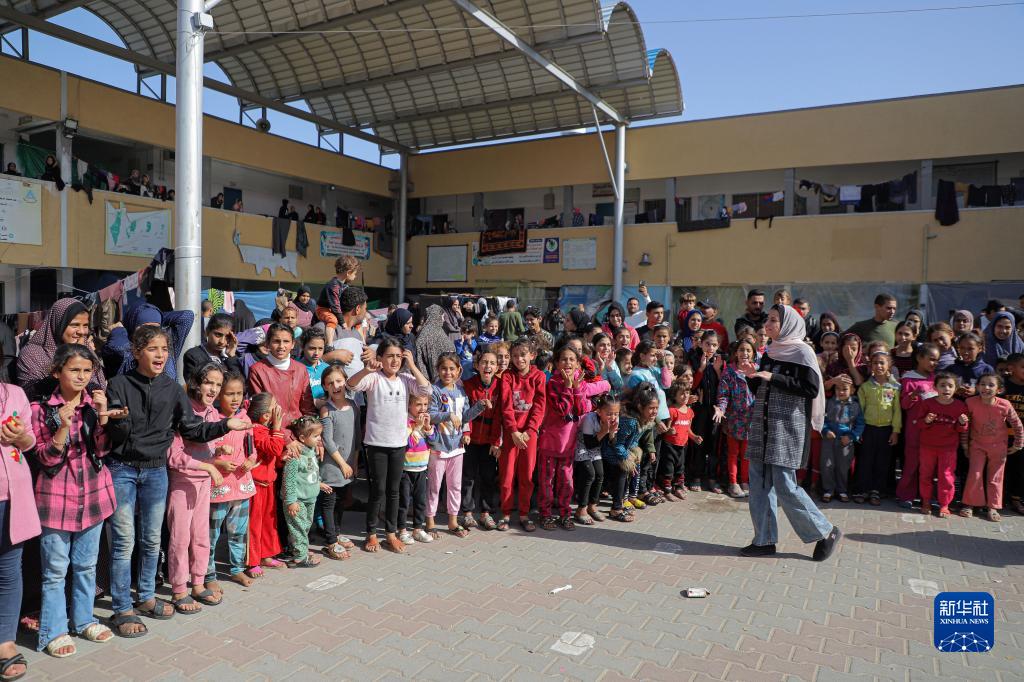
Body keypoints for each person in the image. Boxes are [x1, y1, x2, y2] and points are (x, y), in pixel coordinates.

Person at [104, 327, 248, 637]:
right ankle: (122, 608)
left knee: (151, 540)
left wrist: (225, 425)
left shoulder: (171, 389)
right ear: (136, 352)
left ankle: (145, 597)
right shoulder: (118, 384)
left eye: (164, 349)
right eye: (152, 349)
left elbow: (193, 429)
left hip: (155, 472)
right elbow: (114, 435)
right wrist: (117, 421)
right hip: (123, 470)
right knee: (124, 542)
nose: (160, 355)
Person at [30, 345, 117, 656]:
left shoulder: (94, 405)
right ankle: (54, 631)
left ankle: (83, 620)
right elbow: (45, 459)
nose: (82, 377)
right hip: (56, 501)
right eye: (74, 370)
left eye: (87, 371)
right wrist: (63, 428)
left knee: (86, 565)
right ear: (57, 372)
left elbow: (103, 451)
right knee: (55, 571)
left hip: (94, 496)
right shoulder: (41, 410)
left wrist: (103, 417)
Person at [739, 304, 840, 562]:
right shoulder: (770, 351)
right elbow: (762, 387)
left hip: (787, 426)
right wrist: (752, 376)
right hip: (763, 423)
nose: (768, 325)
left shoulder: (803, 352)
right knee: (759, 484)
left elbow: (810, 388)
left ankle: (825, 531)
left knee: (785, 485)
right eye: (768, 320)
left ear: (789, 324)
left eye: (774, 320)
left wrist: (773, 377)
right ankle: (764, 540)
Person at [347, 339, 432, 554]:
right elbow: (351, 385)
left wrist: (412, 365)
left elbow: (426, 389)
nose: (394, 360)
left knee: (394, 491)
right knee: (378, 490)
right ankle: (371, 533)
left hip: (399, 443)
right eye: (390, 356)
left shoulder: (406, 379)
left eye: (398, 356)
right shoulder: (374, 378)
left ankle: (391, 533)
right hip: (376, 443)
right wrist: (366, 370)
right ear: (380, 358)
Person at [165, 364, 232, 614]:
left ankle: (198, 583)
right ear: (196, 383)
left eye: (217, 384)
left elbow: (207, 446)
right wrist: (208, 466)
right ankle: (179, 589)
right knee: (180, 538)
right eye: (208, 382)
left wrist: (218, 451)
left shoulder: (212, 412)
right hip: (183, 483)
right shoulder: (183, 411)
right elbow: (174, 456)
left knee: (201, 536)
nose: (213, 389)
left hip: (203, 482)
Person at [536, 345, 609, 531]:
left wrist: (576, 389)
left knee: (566, 482)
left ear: (578, 364)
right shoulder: (552, 384)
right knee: (547, 482)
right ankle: (545, 514)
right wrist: (568, 388)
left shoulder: (580, 383)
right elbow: (562, 409)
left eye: (572, 360)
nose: (567, 363)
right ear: (556, 363)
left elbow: (581, 409)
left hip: (569, 444)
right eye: (563, 359)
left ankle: (565, 513)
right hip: (550, 443)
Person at [0, 378, 38, 679]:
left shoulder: (13, 393)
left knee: (9, 570)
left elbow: (31, 442)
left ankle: (5, 642)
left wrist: (21, 437)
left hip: (13, 496)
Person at [425, 354, 485, 538]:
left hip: (457, 447)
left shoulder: (461, 391)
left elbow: (464, 417)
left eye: (452, 369)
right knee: (434, 486)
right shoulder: (435, 390)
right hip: (438, 447)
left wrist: (479, 406)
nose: (448, 372)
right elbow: (431, 415)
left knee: (455, 486)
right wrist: (448, 415)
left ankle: (453, 521)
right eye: (444, 368)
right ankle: (430, 522)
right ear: (438, 370)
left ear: (459, 370)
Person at [207, 371, 256, 589]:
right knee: (212, 533)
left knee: (238, 531)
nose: (235, 399)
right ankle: (208, 574)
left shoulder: (245, 419)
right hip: (219, 487)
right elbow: (203, 452)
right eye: (229, 394)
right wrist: (219, 462)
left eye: (239, 393)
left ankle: (237, 569)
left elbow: (251, 449)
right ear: (219, 395)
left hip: (242, 485)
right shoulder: (212, 420)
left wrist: (250, 460)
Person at [497, 338, 546, 532]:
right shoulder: (507, 376)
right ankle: (506, 513)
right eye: (515, 356)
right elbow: (506, 405)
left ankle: (524, 514)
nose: (519, 359)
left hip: (529, 435)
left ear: (532, 355)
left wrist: (530, 430)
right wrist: (513, 431)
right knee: (507, 475)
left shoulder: (539, 376)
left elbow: (540, 407)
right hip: (511, 434)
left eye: (523, 355)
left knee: (526, 475)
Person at [16, 298, 106, 402]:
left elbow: (96, 383)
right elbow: (28, 394)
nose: (82, 331)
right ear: (58, 323)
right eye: (75, 325)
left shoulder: (86, 349)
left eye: (85, 325)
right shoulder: (32, 354)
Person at [961, 373, 1023, 521]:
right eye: (982, 384)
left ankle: (993, 507)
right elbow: (965, 425)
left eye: (991, 385)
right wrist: (965, 445)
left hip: (998, 447)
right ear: (977, 387)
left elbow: (1017, 425)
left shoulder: (1005, 404)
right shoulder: (970, 402)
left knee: (995, 477)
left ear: (999, 390)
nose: (986, 388)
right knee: (975, 474)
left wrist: (1018, 444)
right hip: (977, 445)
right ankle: (970, 504)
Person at [318, 365, 358, 559]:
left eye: (339, 381)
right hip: (333, 466)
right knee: (329, 503)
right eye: (330, 383)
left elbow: (357, 436)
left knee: (342, 501)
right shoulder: (326, 410)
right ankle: (330, 541)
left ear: (345, 382)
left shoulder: (354, 406)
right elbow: (327, 440)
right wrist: (342, 463)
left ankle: (337, 532)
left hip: (348, 465)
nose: (336, 386)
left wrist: (354, 462)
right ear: (325, 386)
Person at [245, 393, 287, 576]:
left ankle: (266, 554)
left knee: (269, 522)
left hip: (268, 483)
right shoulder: (256, 430)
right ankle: (253, 560)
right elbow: (274, 447)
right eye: (274, 406)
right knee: (254, 524)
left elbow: (274, 455)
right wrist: (277, 428)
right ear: (265, 416)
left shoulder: (265, 430)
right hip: (255, 486)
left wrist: (282, 458)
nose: (278, 409)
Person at [604, 384, 659, 522]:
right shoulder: (630, 421)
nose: (654, 412)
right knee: (623, 470)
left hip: (622, 449)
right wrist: (627, 458)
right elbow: (617, 443)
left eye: (656, 408)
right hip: (609, 449)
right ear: (640, 407)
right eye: (651, 408)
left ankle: (626, 500)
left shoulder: (644, 419)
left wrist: (634, 455)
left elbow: (633, 441)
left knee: (634, 466)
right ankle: (616, 508)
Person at [916, 372, 969, 518]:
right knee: (925, 474)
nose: (946, 388)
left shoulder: (960, 406)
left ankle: (944, 505)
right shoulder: (927, 403)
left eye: (950, 386)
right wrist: (926, 420)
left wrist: (962, 423)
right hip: (927, 446)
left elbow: (962, 429)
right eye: (942, 385)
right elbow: (919, 424)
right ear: (935, 387)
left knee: (946, 477)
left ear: (956, 389)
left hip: (948, 448)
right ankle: (926, 501)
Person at [895, 343, 940, 508]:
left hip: (933, 431)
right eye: (931, 359)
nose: (934, 363)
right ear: (919, 358)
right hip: (914, 429)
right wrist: (913, 394)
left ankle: (927, 496)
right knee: (912, 464)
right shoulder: (908, 378)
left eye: (937, 360)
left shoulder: (937, 379)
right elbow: (904, 404)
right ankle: (906, 495)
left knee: (931, 465)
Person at [246, 324, 315, 430]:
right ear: (267, 343)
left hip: (299, 431)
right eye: (276, 341)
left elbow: (307, 407)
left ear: (293, 344)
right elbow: (259, 411)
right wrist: (281, 435)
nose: (281, 346)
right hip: (271, 432)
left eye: (286, 341)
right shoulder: (257, 370)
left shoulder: (301, 369)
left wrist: (310, 432)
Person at [854, 352, 901, 505]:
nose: (878, 366)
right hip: (868, 429)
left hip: (886, 430)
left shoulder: (894, 387)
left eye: (882, 363)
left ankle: (877, 491)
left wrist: (895, 431)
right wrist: (859, 430)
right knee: (865, 460)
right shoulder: (865, 387)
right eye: (875, 363)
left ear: (889, 366)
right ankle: (862, 489)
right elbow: (860, 410)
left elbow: (897, 411)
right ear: (871, 366)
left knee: (882, 462)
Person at [104, 302, 194, 379]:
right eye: (145, 328)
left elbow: (187, 316)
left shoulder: (168, 347)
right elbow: (118, 348)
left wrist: (158, 316)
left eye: (155, 328)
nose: (150, 333)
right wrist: (119, 329)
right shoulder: (129, 352)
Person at [714, 339, 756, 498]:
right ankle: (733, 483)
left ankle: (745, 481)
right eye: (741, 350)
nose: (745, 353)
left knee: (746, 454)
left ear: (753, 353)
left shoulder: (756, 370)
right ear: (736, 353)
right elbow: (723, 395)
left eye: (748, 350)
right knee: (733, 453)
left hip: (751, 420)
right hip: (733, 420)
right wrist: (721, 409)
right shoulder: (729, 372)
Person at [281, 416, 324, 567]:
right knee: (298, 527)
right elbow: (289, 480)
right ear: (302, 438)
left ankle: (297, 549)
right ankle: (300, 556)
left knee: (305, 525)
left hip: (310, 498)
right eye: (316, 436)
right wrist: (291, 501)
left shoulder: (311, 452)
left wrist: (319, 483)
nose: (319, 439)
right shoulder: (295, 456)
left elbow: (312, 472)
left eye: (319, 435)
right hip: (297, 500)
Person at [574, 394, 617, 525]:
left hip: (596, 448)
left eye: (616, 413)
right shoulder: (590, 419)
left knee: (600, 474)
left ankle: (592, 506)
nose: (613, 417)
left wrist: (611, 432)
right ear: (598, 411)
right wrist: (604, 431)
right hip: (582, 446)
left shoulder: (615, 420)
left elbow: (612, 443)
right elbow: (588, 444)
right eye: (609, 414)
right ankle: (581, 509)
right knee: (589, 474)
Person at [820, 381, 865, 503]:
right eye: (838, 389)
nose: (841, 392)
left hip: (846, 441)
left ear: (852, 390)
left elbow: (860, 424)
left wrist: (851, 437)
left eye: (844, 389)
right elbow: (822, 419)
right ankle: (828, 490)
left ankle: (842, 490)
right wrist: (825, 430)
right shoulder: (829, 403)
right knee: (827, 465)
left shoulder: (856, 406)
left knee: (843, 467)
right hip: (829, 439)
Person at [399, 394, 434, 545]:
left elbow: (433, 441)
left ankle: (417, 529)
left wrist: (428, 428)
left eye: (425, 404)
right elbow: (409, 444)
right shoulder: (406, 422)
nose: (422, 408)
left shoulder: (426, 422)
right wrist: (418, 427)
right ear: (409, 405)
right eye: (418, 404)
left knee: (420, 501)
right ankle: (402, 530)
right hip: (406, 469)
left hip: (422, 468)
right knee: (404, 502)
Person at [658, 384, 701, 499]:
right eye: (681, 393)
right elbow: (666, 429)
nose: (685, 396)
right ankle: (667, 491)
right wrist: (669, 431)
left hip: (682, 445)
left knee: (680, 468)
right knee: (669, 469)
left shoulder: (690, 412)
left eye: (687, 393)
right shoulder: (672, 410)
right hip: (670, 445)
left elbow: (688, 429)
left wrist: (694, 437)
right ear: (674, 396)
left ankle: (678, 488)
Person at [316, 256, 361, 346]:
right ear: (348, 272)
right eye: (355, 273)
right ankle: (329, 344)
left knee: (358, 321)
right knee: (332, 320)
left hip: (335, 310)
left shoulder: (344, 285)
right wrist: (343, 323)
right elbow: (335, 306)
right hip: (323, 309)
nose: (355, 276)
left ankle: (362, 342)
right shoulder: (333, 286)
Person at [182, 313, 241, 380]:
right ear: (207, 332)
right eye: (218, 335)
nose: (222, 341)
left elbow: (237, 381)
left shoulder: (231, 356)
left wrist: (231, 356)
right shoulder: (193, 356)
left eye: (227, 337)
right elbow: (194, 383)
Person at [414, 305, 456, 384]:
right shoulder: (439, 333)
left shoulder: (422, 334)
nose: (443, 320)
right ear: (436, 316)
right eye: (442, 316)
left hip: (429, 380)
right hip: (444, 378)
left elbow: (419, 362)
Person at [950, 332, 993, 399]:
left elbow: (992, 389)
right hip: (957, 404)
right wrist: (955, 389)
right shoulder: (951, 369)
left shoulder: (986, 369)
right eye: (962, 348)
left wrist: (976, 391)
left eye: (970, 349)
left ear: (979, 349)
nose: (966, 352)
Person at [299, 328, 328, 401]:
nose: (316, 353)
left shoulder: (327, 368)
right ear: (302, 346)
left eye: (320, 349)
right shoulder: (295, 368)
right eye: (312, 348)